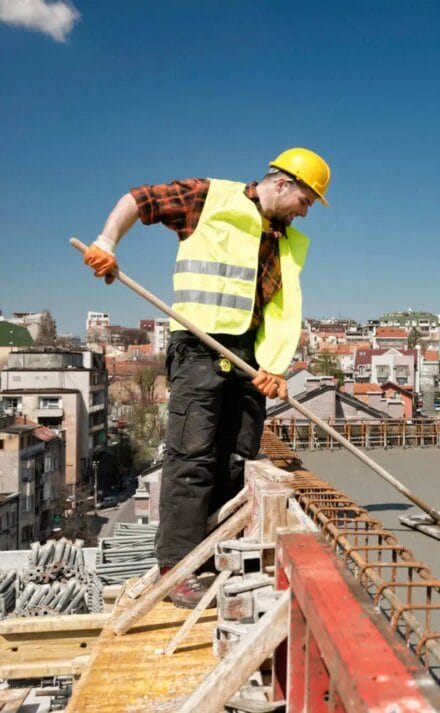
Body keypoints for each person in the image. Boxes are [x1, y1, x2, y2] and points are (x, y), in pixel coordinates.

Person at [83, 148, 330, 607]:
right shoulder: (208, 198)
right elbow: (139, 200)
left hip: (248, 357)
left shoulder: (285, 240)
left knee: (237, 457)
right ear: (280, 184)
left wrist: (275, 367)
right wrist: (107, 243)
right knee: (191, 457)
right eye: (306, 199)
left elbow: (281, 311)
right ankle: (177, 570)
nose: (306, 210)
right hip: (199, 346)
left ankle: (216, 557)